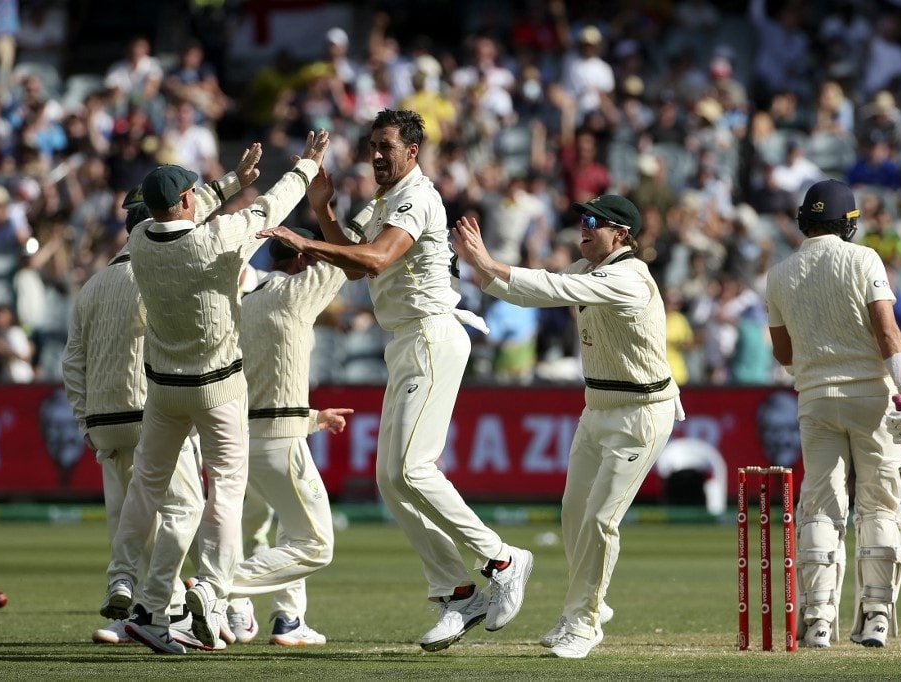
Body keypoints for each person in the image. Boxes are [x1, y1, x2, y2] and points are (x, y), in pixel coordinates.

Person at [257, 110, 533, 653]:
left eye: (386, 146)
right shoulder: (383, 202)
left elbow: (377, 259)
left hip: (431, 334)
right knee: (391, 479)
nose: (377, 155)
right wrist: (322, 210)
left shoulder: (417, 197)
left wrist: (306, 243)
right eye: (372, 146)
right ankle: (457, 592)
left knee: (411, 468)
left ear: (412, 151)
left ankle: (503, 559)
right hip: (405, 340)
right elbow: (353, 266)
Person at [102, 130, 330, 655]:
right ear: (187, 200)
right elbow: (271, 209)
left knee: (147, 487)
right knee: (225, 489)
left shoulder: (139, 242)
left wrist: (230, 182)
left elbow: (179, 211)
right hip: (218, 387)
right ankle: (209, 586)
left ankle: (122, 578)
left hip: (164, 390)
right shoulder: (219, 237)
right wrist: (306, 167)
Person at [451, 194, 686, 659]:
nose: (584, 226)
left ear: (621, 234)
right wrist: (482, 269)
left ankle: (585, 620)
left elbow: (554, 287)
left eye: (595, 221)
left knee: (601, 520)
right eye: (582, 219)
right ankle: (587, 604)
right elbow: (536, 293)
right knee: (575, 514)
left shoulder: (628, 277)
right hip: (596, 408)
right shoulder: (586, 270)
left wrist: (491, 263)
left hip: (641, 413)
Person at [64, 165, 256, 649]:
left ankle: (125, 592)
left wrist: (85, 421)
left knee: (130, 510)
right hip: (158, 401)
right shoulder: (156, 266)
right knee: (185, 508)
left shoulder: (92, 285)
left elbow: (72, 362)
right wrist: (237, 183)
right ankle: (163, 608)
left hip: (104, 422)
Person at [764, 179, 901, 649]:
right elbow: (887, 331)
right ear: (848, 223)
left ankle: (818, 621)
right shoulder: (864, 259)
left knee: (820, 505)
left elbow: (783, 353)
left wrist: (820, 361)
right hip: (872, 400)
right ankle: (875, 616)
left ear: (804, 220)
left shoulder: (778, 274)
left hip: (815, 401)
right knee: (879, 504)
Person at [226, 219, 351, 647]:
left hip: (246, 438)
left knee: (289, 529)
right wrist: (335, 212)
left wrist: (314, 417)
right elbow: (348, 256)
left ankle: (289, 618)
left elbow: (264, 379)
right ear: (300, 259)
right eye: (310, 258)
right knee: (316, 545)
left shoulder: (247, 302)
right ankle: (215, 588)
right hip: (279, 442)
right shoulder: (295, 291)